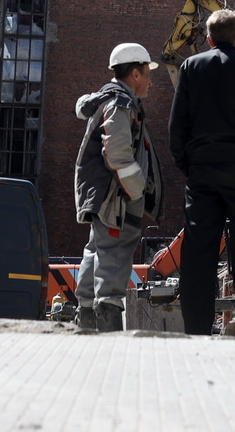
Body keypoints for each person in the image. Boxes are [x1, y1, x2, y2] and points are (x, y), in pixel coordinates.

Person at [169, 8, 235, 338]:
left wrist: (188, 165)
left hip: (203, 170)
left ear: (208, 39)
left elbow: (178, 127)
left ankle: (197, 331)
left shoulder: (191, 66)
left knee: (198, 254)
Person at [72, 43, 162, 333]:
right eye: (148, 73)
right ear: (135, 73)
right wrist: (136, 190)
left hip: (104, 194)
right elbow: (118, 153)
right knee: (114, 250)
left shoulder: (110, 99)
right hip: (117, 197)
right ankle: (108, 320)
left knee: (95, 249)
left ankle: (85, 315)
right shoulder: (121, 103)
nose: (150, 80)